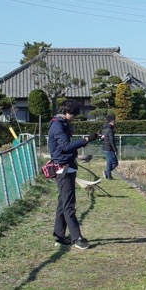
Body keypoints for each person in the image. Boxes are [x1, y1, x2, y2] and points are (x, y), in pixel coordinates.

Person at [48, 99, 98, 250]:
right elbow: (65, 146)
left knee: (63, 203)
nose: (74, 117)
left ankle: (60, 236)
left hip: (66, 167)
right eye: (73, 114)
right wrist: (86, 140)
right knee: (69, 205)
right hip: (64, 169)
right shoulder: (57, 125)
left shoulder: (60, 123)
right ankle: (77, 238)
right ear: (66, 112)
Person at [101, 115, 118, 180]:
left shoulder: (104, 129)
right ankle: (107, 173)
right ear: (112, 121)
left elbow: (102, 138)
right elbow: (111, 141)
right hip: (109, 148)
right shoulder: (110, 130)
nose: (115, 122)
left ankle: (109, 176)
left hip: (105, 148)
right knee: (115, 163)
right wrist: (115, 150)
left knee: (109, 163)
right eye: (114, 120)